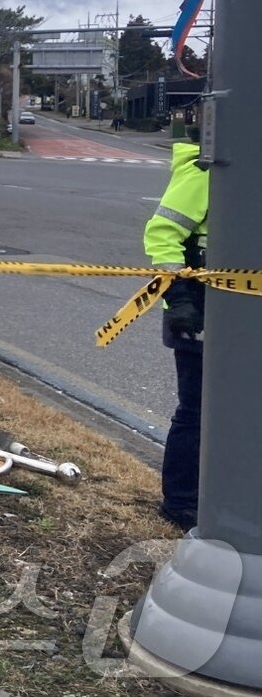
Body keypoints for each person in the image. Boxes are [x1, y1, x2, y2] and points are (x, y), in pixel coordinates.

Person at [142, 126, 208, 532]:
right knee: (197, 411)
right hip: (198, 307)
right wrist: (181, 296)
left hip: (243, 310)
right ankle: (181, 503)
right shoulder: (206, 172)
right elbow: (162, 234)